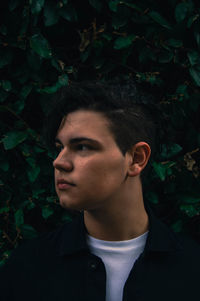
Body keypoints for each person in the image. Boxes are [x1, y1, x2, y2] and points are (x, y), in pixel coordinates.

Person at [0, 80, 199, 301]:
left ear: (136, 158)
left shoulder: (192, 270)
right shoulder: (26, 269)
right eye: (60, 148)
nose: (59, 162)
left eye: (82, 147)